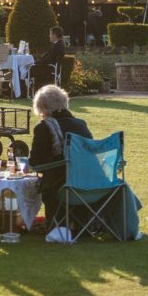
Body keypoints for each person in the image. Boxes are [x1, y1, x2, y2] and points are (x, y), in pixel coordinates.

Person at [28, 85, 92, 234]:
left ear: (42, 107)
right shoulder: (81, 124)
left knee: (48, 181)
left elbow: (35, 163)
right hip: (89, 182)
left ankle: (56, 223)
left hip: (62, 185)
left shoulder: (44, 128)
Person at [35, 26, 69, 92]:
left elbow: (48, 60)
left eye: (50, 34)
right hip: (50, 67)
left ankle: (23, 91)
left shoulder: (58, 46)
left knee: (28, 70)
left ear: (55, 35)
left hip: (49, 69)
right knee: (28, 69)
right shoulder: (57, 44)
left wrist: (34, 63)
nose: (49, 36)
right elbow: (46, 57)